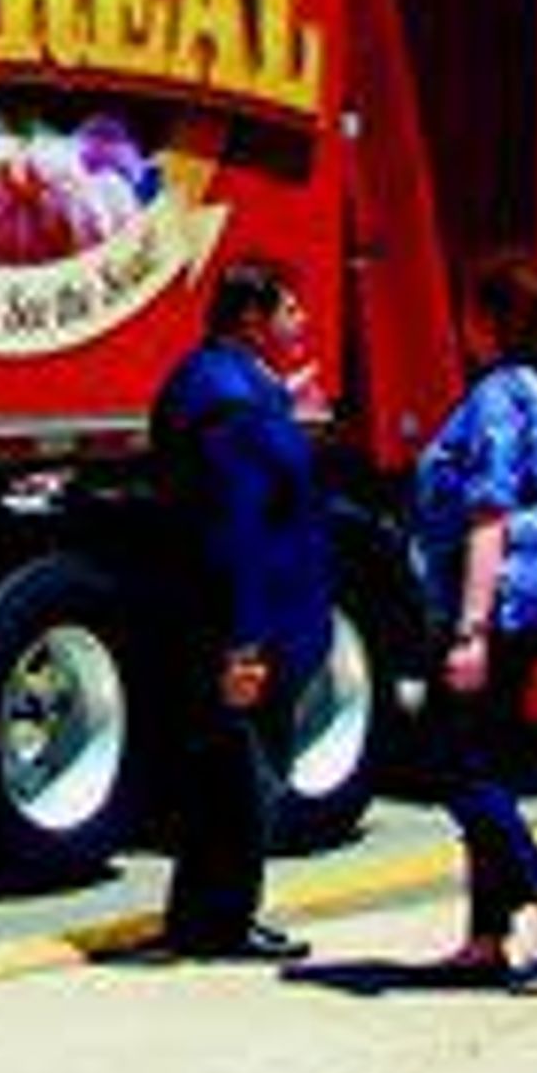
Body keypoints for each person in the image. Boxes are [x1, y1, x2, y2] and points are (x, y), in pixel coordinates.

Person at [410, 254, 537, 984]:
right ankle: (487, 936)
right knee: (488, 761)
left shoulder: (497, 396)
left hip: (503, 599)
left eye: (470, 311)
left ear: (491, 320)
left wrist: (470, 630)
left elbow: (488, 515)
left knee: (454, 763)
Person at [146, 255, 331, 962]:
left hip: (246, 612)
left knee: (230, 771)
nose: (300, 322)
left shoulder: (233, 386)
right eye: (290, 311)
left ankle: (211, 915)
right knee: (245, 777)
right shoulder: (230, 403)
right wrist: (247, 642)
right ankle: (219, 919)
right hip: (249, 619)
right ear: (252, 320)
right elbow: (240, 529)